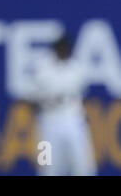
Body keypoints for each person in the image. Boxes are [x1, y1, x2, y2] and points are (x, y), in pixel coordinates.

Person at [26, 34, 97, 176]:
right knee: (47, 166)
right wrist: (46, 103)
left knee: (82, 166)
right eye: (60, 48)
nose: (63, 51)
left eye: (65, 48)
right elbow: (30, 97)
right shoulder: (43, 68)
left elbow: (81, 96)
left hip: (74, 120)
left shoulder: (76, 68)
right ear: (55, 49)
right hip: (49, 121)